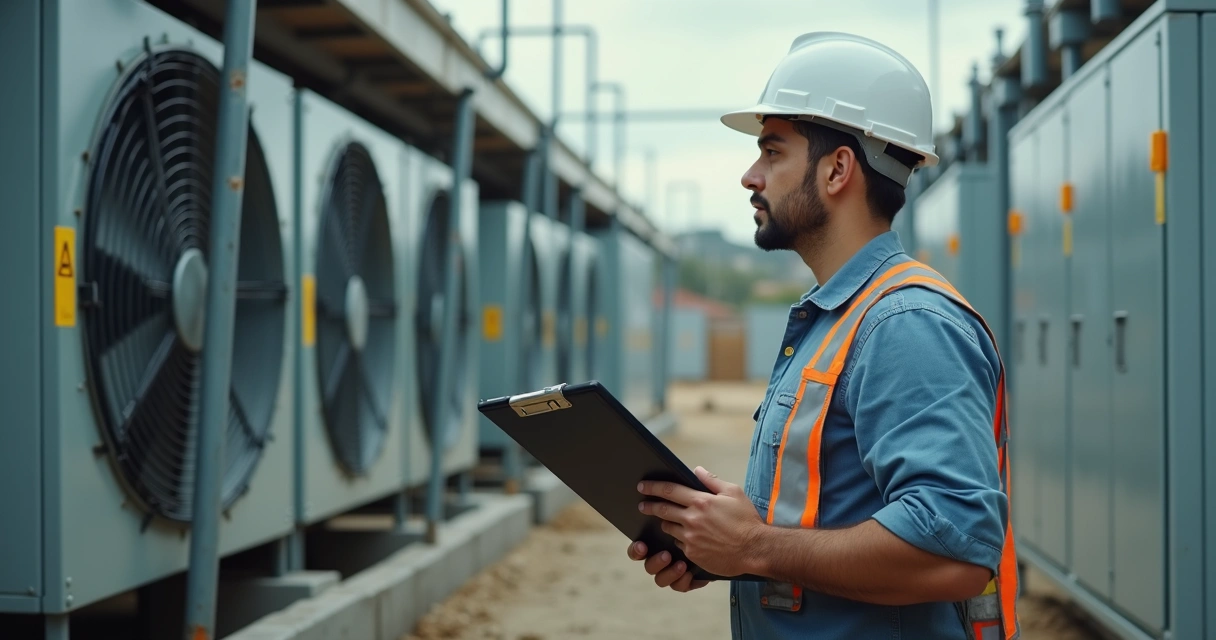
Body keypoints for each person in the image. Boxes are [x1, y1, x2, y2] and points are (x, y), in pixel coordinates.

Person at [626, 32, 1020, 639]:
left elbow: (956, 553)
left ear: (838, 169)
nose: (750, 176)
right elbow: (824, 517)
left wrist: (755, 547)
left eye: (772, 152)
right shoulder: (836, 318)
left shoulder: (904, 325)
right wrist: (722, 542)